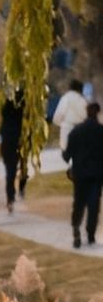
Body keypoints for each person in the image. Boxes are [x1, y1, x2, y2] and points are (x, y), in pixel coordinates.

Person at [64, 100, 103, 247]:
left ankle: (76, 228)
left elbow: (67, 155)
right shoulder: (101, 131)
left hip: (79, 175)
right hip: (96, 176)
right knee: (94, 206)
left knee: (78, 203)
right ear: (97, 112)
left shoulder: (76, 131)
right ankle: (91, 234)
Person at [0, 89, 27, 211]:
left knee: (10, 171)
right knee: (23, 165)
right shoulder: (23, 109)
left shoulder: (5, 108)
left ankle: (10, 198)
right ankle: (21, 188)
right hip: (21, 140)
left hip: (8, 142)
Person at [53, 79, 88, 154]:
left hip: (67, 128)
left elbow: (59, 114)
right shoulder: (83, 100)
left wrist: (60, 124)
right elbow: (86, 116)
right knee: (78, 152)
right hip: (80, 129)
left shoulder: (65, 98)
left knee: (67, 150)